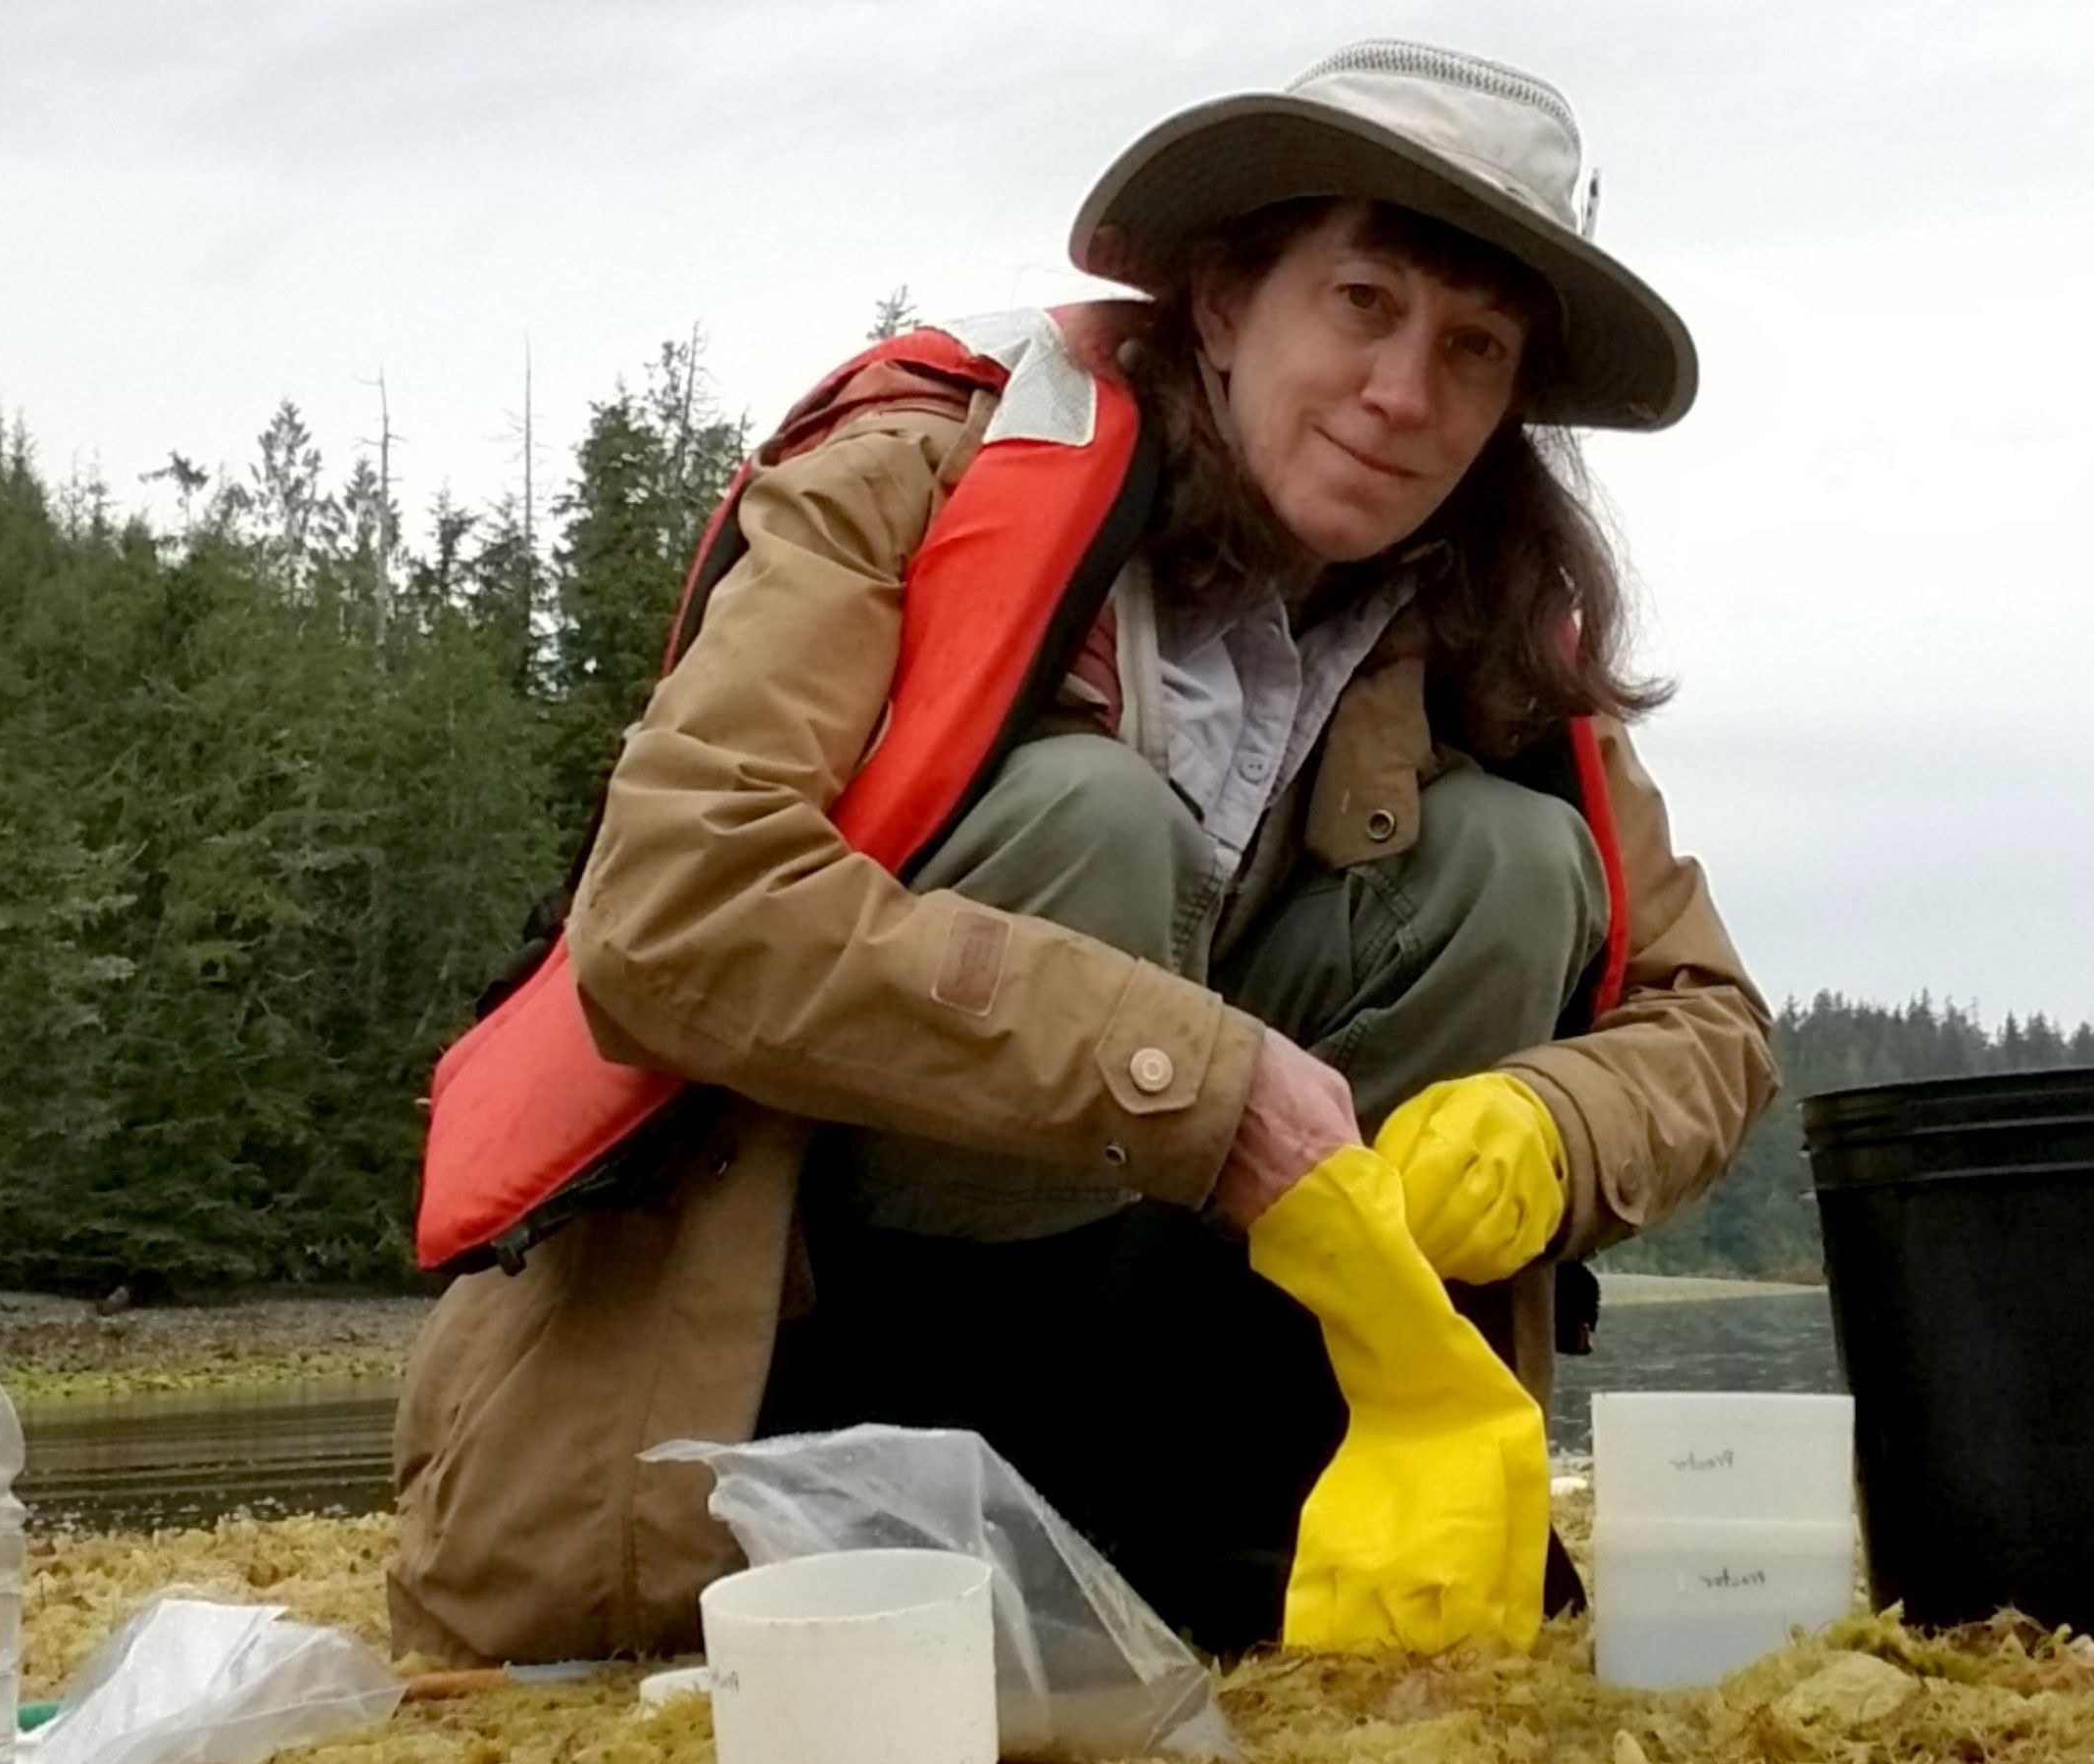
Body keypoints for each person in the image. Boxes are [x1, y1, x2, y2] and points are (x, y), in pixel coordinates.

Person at [389, 38, 1778, 1663]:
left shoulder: (1490, 626)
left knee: (1514, 867)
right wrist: (1193, 1085)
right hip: (823, 1387)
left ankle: (1258, 1519)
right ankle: (946, 1554)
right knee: (1088, 823)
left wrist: (1551, 1125)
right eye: (1361, 304)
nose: (1406, 392)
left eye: (1472, 348)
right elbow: (673, 914)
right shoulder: (916, 476)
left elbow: (1711, 1026)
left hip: (1225, 1436)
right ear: (1223, 300)